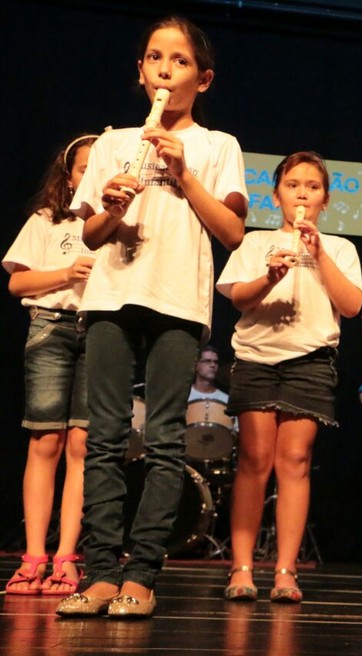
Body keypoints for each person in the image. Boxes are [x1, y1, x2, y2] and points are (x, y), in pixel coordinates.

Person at [55, 16, 247, 619]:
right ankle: (102, 572)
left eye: (180, 61)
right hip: (112, 294)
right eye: (154, 58)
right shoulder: (113, 141)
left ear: (204, 77)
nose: (165, 69)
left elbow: (233, 231)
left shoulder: (218, 146)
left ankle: (142, 573)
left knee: (165, 440)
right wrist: (113, 206)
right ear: (140, 70)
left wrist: (184, 171)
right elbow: (89, 236)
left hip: (178, 301)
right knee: (105, 438)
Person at [217, 151, 362, 604]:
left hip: (311, 361)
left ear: (325, 198)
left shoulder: (339, 247)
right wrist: (269, 276)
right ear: (276, 193)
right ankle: (241, 567)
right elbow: (239, 299)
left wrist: (317, 254)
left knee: (295, 462)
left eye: (313, 186)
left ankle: (285, 570)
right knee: (255, 460)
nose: (302, 192)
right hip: (258, 358)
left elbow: (352, 305)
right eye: (292, 184)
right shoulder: (255, 241)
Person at [3, 133, 97, 596]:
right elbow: (17, 283)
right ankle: (33, 556)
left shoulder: (118, 222)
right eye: (83, 170)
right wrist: (66, 273)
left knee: (81, 446)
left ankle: (66, 558)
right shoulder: (48, 220)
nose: (90, 178)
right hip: (50, 327)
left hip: (98, 333)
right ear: (69, 175)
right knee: (44, 442)